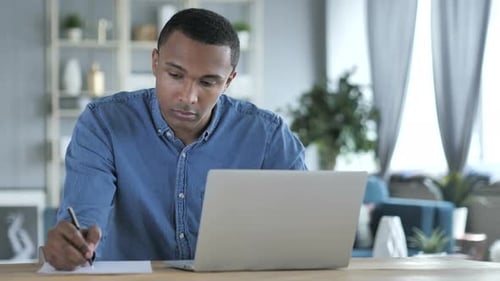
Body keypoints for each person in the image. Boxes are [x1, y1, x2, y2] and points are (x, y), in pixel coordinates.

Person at [44, 8, 307, 270]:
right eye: (175, 75)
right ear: (155, 62)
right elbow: (86, 218)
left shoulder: (268, 135)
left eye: (207, 82)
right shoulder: (104, 123)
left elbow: (306, 224)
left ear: (228, 81)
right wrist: (74, 243)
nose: (188, 96)